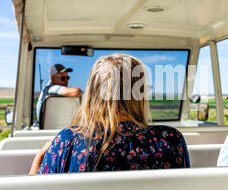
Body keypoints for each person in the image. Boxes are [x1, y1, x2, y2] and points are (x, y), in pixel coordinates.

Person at [29, 54, 190, 174]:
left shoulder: (67, 142)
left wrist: (40, 155)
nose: (66, 79)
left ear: (92, 94)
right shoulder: (171, 140)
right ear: (139, 95)